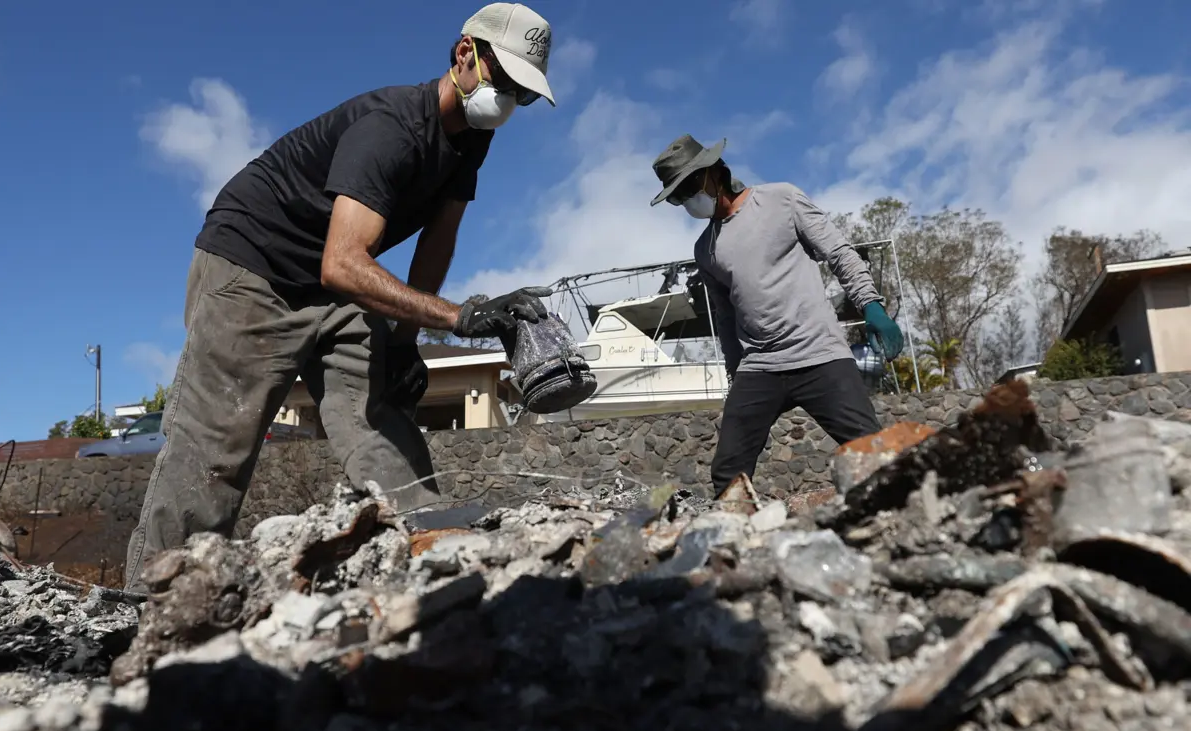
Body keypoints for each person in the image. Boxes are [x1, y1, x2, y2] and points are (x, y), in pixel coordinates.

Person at [124, 2, 558, 593]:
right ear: (465, 54)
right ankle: (155, 602)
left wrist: (406, 345)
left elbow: (438, 242)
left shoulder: (470, 142)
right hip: (255, 264)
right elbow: (343, 263)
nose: (506, 100)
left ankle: (432, 565)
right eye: (502, 80)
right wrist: (459, 317)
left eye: (522, 95)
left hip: (336, 277)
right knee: (217, 447)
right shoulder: (391, 127)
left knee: (377, 407)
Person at [649, 134, 905, 497]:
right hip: (761, 367)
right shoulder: (705, 249)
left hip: (820, 354)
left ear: (711, 173)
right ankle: (739, 541)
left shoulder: (781, 199)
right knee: (728, 472)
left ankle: (903, 521)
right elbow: (725, 314)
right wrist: (735, 371)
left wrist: (872, 306)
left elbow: (839, 253)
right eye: (677, 197)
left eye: (688, 188)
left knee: (874, 456)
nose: (687, 200)